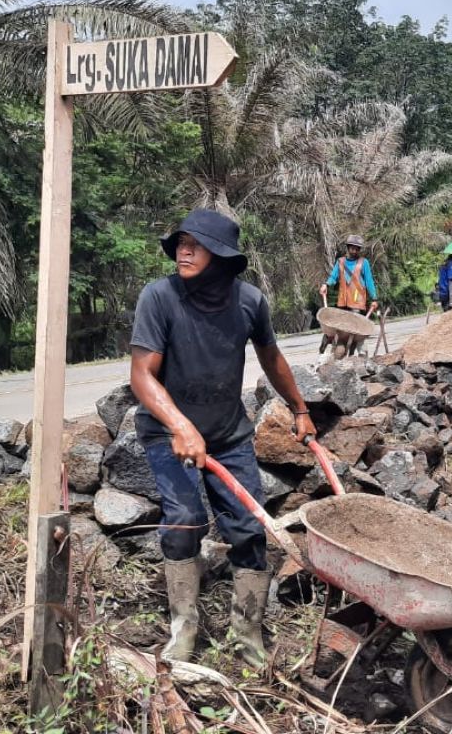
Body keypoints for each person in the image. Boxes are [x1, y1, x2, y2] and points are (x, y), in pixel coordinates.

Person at [129, 209, 317, 669]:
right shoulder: (160, 297)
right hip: (167, 432)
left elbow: (272, 358)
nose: (183, 250)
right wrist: (181, 426)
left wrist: (300, 410)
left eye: (196, 243)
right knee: (186, 519)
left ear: (224, 256)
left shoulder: (249, 301)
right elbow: (141, 376)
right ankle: (183, 629)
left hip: (229, 435)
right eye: (180, 242)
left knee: (249, 528)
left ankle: (247, 632)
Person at [319, 234, 379, 316]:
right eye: (352, 249)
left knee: (355, 326)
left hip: (357, 303)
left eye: (357, 249)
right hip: (342, 302)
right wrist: (326, 285)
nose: (354, 251)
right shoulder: (340, 262)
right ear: (348, 248)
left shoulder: (364, 263)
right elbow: (333, 277)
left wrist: (374, 298)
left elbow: (369, 281)